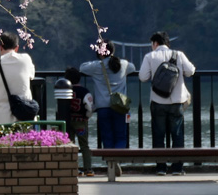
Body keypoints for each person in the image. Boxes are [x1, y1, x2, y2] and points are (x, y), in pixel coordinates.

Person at [138, 31, 195, 175]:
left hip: (158, 101)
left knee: (158, 134)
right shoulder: (179, 55)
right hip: (177, 102)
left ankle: (161, 168)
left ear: (155, 43)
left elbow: (143, 77)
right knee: (177, 134)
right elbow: (191, 71)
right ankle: (177, 168)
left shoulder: (150, 56)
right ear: (167, 43)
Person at [81, 49, 135, 151]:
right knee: (121, 137)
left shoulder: (96, 66)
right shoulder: (123, 64)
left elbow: (82, 67)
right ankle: (117, 162)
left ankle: (110, 163)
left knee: (107, 138)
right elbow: (133, 68)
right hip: (121, 107)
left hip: (103, 107)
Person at [0, 32, 36, 125]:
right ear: (17, 47)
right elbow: (32, 75)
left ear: (0, 47)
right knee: (27, 139)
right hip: (25, 114)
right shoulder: (26, 59)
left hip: (2, 118)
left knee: (3, 139)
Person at [55, 66, 96, 176]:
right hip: (81, 122)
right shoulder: (84, 91)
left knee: (70, 145)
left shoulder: (64, 91)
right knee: (84, 145)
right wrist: (87, 116)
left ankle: (73, 168)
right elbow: (89, 107)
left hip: (68, 121)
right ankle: (88, 169)